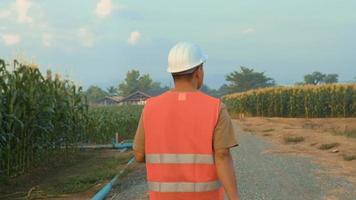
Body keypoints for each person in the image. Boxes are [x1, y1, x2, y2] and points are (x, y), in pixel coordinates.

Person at [133, 42, 240, 200]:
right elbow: (222, 155)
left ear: (172, 74)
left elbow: (139, 155)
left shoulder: (150, 107)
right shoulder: (216, 108)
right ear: (198, 72)